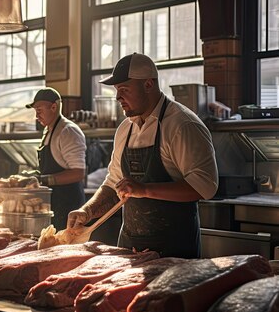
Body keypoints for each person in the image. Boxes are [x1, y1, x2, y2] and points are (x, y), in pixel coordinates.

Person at [66, 53, 218, 258]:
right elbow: (113, 184)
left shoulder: (182, 125)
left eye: (124, 89)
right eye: (117, 90)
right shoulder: (125, 129)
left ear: (148, 84)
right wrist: (87, 211)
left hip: (174, 249)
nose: (118, 97)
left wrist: (144, 189)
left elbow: (205, 186)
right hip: (130, 245)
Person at [26, 87, 86, 230]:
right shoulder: (48, 130)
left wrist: (43, 180)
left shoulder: (68, 131)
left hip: (68, 206)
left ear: (53, 107)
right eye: (35, 111)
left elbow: (78, 173)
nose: (37, 116)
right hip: (53, 205)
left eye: (39, 110)